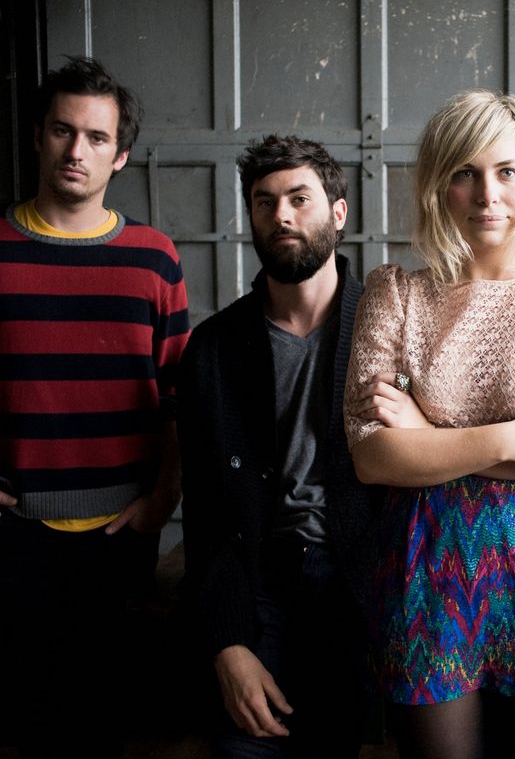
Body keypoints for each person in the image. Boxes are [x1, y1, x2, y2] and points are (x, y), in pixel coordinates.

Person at [0, 56, 189, 756]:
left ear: (120, 155)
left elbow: (180, 398)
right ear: (38, 137)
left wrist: (163, 497)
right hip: (13, 530)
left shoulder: (154, 258)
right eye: (63, 131)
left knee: (112, 720)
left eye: (96, 137)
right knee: (18, 720)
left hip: (121, 533)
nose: (76, 150)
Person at [343, 89, 515, 759]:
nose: (488, 194)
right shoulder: (395, 292)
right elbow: (371, 458)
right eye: (465, 172)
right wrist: (512, 437)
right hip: (425, 563)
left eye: (507, 172)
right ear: (440, 184)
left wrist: (423, 433)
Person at [178, 136, 378, 758]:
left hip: (361, 586)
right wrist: (227, 643)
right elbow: (206, 512)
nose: (281, 216)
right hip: (258, 582)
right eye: (265, 203)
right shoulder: (214, 348)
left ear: (338, 213)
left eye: (299, 199)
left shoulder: (387, 328)